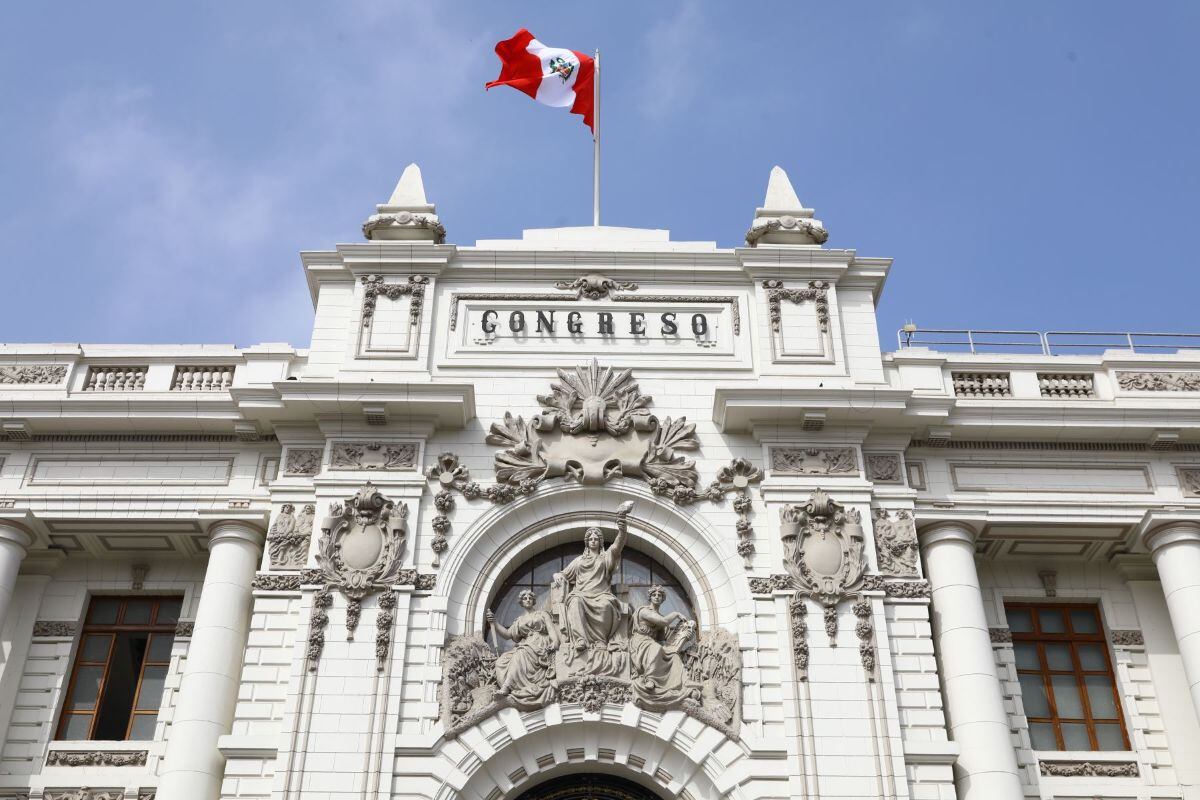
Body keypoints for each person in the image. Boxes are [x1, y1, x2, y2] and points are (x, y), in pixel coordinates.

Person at [550, 501, 633, 675]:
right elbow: (564, 574)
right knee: (575, 602)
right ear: (587, 542)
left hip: (602, 595)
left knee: (606, 605)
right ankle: (580, 640)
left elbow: (618, 544)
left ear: (600, 542)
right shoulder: (579, 561)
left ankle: (601, 642)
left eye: (596, 539)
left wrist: (622, 526)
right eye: (590, 539)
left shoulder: (606, 557)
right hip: (581, 594)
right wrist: (557, 575)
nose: (593, 541)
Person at [629, 585, 698, 709]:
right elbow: (664, 621)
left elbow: (663, 640)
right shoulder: (644, 611)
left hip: (651, 643)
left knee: (674, 656)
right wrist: (676, 613)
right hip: (640, 641)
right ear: (650, 597)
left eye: (659, 595)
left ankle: (684, 682)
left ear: (662, 599)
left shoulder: (659, 615)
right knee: (656, 648)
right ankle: (650, 680)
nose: (657, 597)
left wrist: (682, 636)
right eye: (654, 595)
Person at [487, 589, 558, 707]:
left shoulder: (542, 614)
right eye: (525, 598)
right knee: (501, 661)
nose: (528, 600)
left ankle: (506, 687)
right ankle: (511, 684)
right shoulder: (520, 620)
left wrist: (555, 642)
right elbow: (507, 635)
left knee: (521, 653)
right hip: (527, 644)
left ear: (534, 601)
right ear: (521, 602)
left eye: (530, 598)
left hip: (540, 643)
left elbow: (551, 630)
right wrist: (495, 622)